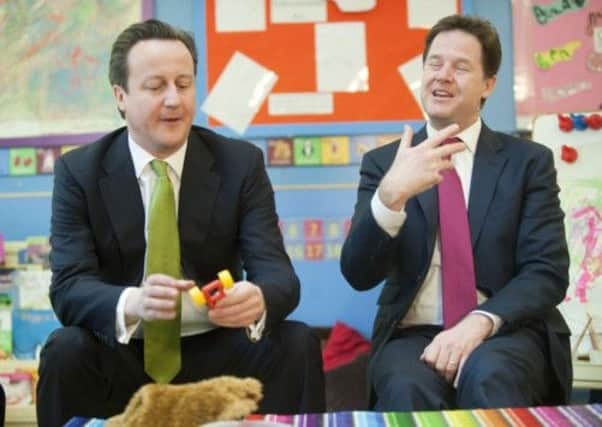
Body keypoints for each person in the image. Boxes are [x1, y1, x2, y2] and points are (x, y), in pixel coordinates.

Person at [37, 19, 325, 426]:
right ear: (121, 96)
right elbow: (68, 289)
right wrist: (134, 302)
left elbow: (279, 276)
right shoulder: (79, 171)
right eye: (156, 87)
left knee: (297, 341)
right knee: (64, 350)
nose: (174, 100)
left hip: (218, 350)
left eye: (184, 84)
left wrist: (257, 298)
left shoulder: (239, 163)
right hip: (123, 353)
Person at [340, 14, 571, 410]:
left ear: (488, 85)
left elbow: (547, 272)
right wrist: (392, 194)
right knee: (406, 387)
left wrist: (478, 324)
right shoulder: (385, 163)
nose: (443, 76)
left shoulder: (527, 162)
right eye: (435, 63)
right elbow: (358, 274)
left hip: (504, 331)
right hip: (412, 335)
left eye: (461, 67)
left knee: (491, 374)